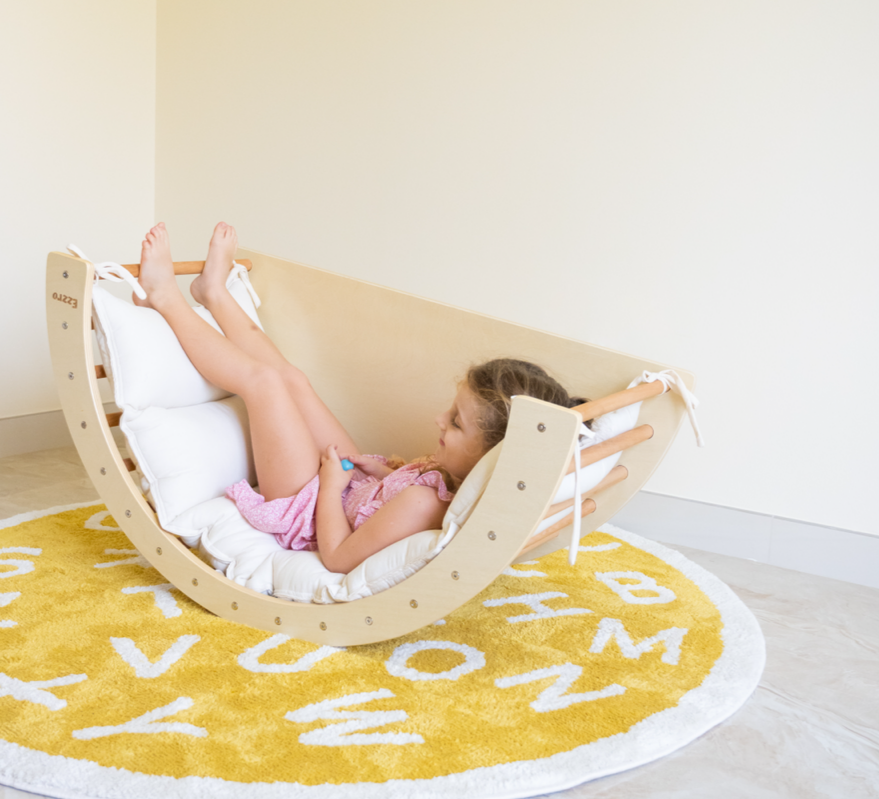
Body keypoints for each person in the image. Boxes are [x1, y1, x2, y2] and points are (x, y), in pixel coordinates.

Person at [135, 222, 586, 574]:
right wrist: (385, 474)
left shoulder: (424, 504)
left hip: (309, 511)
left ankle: (165, 297)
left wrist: (331, 487)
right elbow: (396, 504)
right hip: (353, 488)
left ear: (489, 454)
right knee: (293, 380)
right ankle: (213, 293)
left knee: (265, 385)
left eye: (455, 423)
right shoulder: (450, 478)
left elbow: (336, 557)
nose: (439, 420)